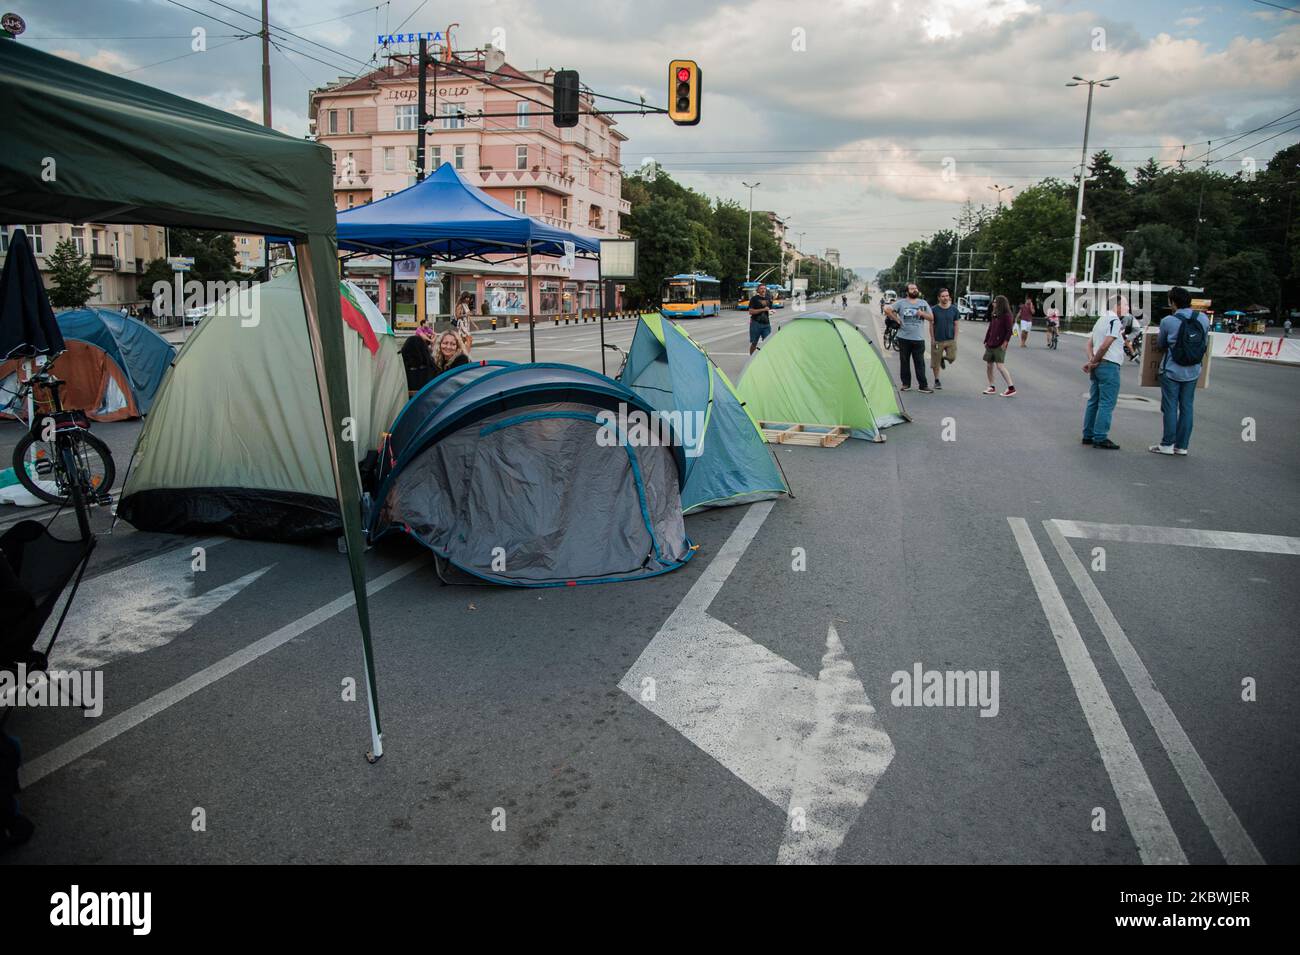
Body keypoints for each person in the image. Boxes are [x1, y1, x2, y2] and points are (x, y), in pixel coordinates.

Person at [1150, 286, 1209, 456]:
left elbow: (1161, 344)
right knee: (1187, 407)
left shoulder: (1168, 321)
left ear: (1173, 302)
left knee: (1170, 407)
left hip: (1172, 370)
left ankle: (1167, 444)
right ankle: (1182, 446)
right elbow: (1204, 342)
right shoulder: (1203, 318)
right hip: (1193, 370)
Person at [1081, 299, 1126, 449]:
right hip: (1109, 366)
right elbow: (1105, 345)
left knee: (1094, 401)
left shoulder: (1101, 320)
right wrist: (1094, 361)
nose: (1127, 308)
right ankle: (1100, 437)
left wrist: (1091, 361)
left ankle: (1088, 435)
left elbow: (1089, 344)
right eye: (1125, 304)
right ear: (1116, 306)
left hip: (1098, 366)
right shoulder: (1114, 321)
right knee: (1106, 403)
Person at [885, 282, 933, 393]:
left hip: (918, 338)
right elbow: (887, 309)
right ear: (907, 292)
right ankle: (906, 384)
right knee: (904, 362)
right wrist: (896, 319)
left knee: (920, 363)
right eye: (912, 289)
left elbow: (931, 317)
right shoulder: (901, 303)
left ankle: (923, 385)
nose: (915, 290)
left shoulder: (923, 303)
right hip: (904, 338)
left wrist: (922, 313)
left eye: (916, 288)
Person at [982, 295, 1017, 396]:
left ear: (1000, 303)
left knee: (1000, 366)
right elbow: (991, 327)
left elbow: (1009, 330)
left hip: (1000, 344)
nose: (993, 303)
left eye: (995, 302)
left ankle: (1011, 387)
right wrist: (986, 339)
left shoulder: (1007, 315)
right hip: (990, 343)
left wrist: (1005, 342)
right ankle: (991, 386)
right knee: (989, 365)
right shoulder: (995, 314)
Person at [929, 287, 959, 391]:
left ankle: (943, 358)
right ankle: (937, 380)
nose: (945, 298)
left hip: (950, 339)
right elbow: (931, 325)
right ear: (939, 298)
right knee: (935, 363)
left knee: (952, 357)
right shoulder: (934, 310)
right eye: (943, 296)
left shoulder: (954, 309)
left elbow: (956, 325)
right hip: (938, 340)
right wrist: (932, 339)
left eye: (947, 296)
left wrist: (955, 339)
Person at [748, 283, 773, 354]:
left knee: (768, 342)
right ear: (758, 290)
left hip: (766, 324)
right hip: (756, 323)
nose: (763, 290)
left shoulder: (769, 299)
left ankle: (765, 357)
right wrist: (763, 309)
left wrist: (771, 311)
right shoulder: (754, 299)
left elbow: (768, 309)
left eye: (764, 288)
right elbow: (751, 311)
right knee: (754, 343)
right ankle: (752, 358)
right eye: (761, 288)